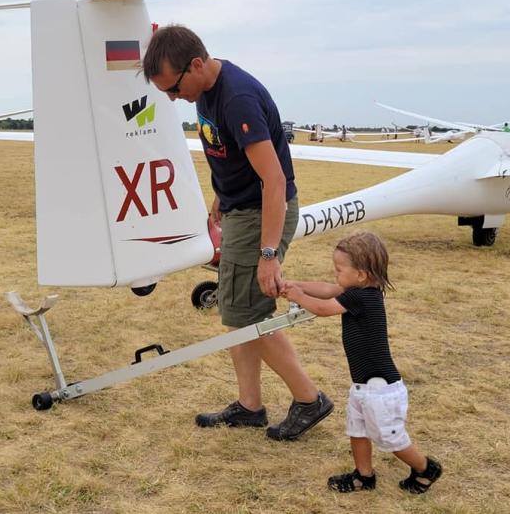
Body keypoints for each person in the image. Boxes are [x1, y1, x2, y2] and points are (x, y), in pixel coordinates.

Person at [142, 25, 333, 440]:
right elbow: (223, 153)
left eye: (174, 89)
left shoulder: (238, 97)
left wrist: (268, 254)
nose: (175, 99)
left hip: (262, 213)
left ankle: (308, 399)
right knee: (237, 312)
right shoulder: (204, 89)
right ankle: (250, 406)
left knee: (250, 314)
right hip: (240, 209)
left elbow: (275, 181)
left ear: (195, 64)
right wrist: (220, 197)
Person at [280, 232, 443, 494]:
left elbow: (322, 308)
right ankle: (363, 476)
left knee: (388, 437)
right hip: (363, 386)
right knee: (357, 430)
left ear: (361, 274)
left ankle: (425, 468)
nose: (335, 274)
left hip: (380, 390)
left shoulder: (362, 298)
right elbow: (326, 289)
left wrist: (299, 296)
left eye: (339, 269)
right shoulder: (358, 290)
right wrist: (294, 284)